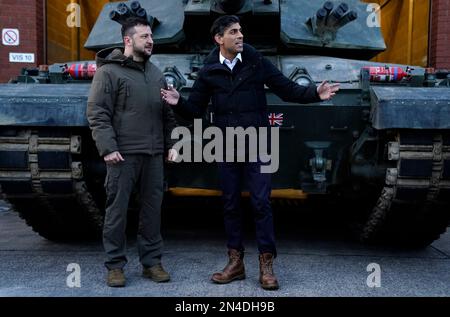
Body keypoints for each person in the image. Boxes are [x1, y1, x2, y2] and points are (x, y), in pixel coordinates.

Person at [161, 15, 339, 290]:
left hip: (257, 143)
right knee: (231, 203)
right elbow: (195, 109)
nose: (240, 35)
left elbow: (286, 89)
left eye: (241, 31)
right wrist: (178, 102)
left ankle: (266, 265)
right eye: (233, 32)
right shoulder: (209, 71)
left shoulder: (256, 62)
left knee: (260, 203)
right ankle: (236, 263)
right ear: (219, 39)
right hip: (225, 144)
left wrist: (315, 93)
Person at [87, 17, 178, 287]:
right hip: (122, 155)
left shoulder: (156, 74)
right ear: (128, 40)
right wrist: (108, 148)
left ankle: (152, 263)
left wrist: (171, 145)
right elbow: (97, 112)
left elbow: (167, 116)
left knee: (152, 212)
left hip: (153, 156)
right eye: (144, 37)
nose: (151, 41)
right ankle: (115, 266)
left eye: (151, 36)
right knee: (117, 212)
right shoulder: (109, 72)